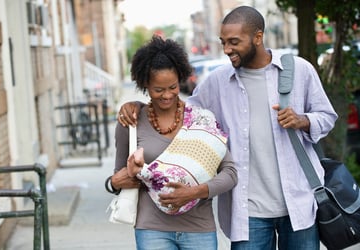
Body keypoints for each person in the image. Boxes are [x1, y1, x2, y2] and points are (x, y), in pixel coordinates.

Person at [117, 6, 338, 250]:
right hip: (247, 211)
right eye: (223, 42)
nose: (227, 50)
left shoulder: (299, 71)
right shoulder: (218, 81)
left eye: (234, 42)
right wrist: (137, 105)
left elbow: (327, 117)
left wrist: (303, 120)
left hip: (299, 201)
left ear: (257, 37)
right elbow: (176, 107)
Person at [106, 35, 238, 250]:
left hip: (199, 228)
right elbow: (119, 176)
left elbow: (230, 173)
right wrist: (114, 182)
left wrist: (194, 192)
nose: (167, 95)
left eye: (173, 87)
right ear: (145, 85)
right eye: (158, 89)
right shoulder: (131, 123)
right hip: (152, 230)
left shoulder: (201, 119)